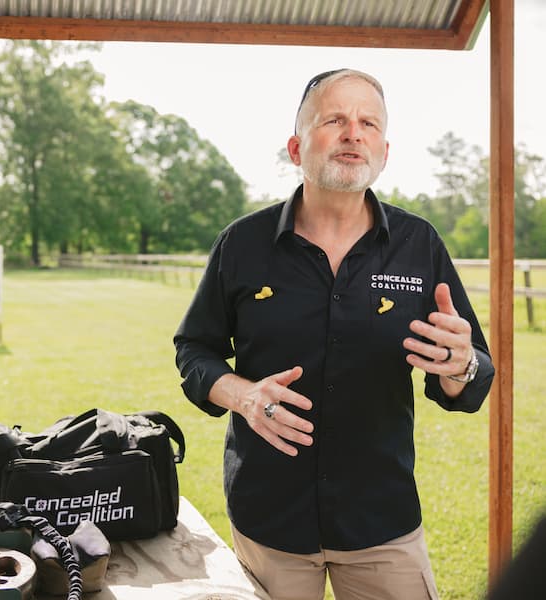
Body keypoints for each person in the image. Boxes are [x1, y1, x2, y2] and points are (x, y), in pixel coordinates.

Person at [173, 69, 494, 600]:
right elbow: (194, 349)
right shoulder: (242, 244)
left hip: (381, 525)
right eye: (335, 120)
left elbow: (471, 372)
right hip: (269, 520)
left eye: (368, 123)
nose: (353, 133)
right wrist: (244, 395)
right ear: (297, 146)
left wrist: (460, 365)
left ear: (384, 152)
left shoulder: (419, 244)